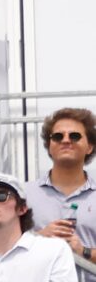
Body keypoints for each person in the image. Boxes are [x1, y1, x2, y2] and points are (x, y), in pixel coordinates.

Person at [25, 108, 96, 260]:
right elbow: (6, 245)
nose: (65, 140)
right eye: (58, 136)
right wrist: (38, 239)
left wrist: (84, 251)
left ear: (89, 147)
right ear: (49, 147)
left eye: (75, 136)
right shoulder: (24, 194)